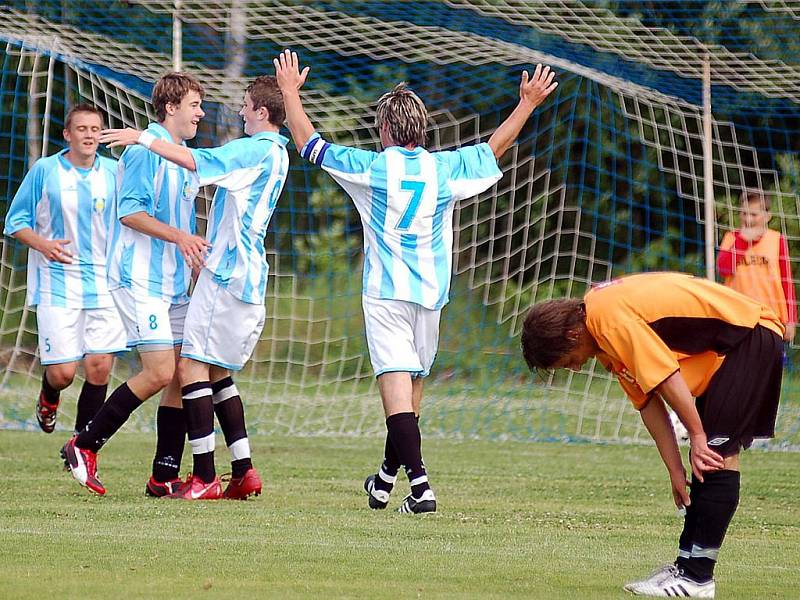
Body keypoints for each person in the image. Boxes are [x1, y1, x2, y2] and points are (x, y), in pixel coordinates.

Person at [274, 49, 558, 514]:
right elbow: (492, 150)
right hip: (430, 294)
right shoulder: (443, 169)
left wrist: (289, 92)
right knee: (413, 389)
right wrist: (526, 104)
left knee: (395, 390)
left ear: (385, 130)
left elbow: (308, 142)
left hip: (386, 294)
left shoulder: (372, 166)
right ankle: (386, 479)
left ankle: (422, 487)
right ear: (421, 129)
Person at [520, 272, 784, 598]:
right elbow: (648, 403)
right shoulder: (602, 333)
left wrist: (697, 436)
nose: (574, 368)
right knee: (705, 459)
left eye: (567, 362)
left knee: (716, 456)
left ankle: (697, 579)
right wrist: (675, 469)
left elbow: (666, 376)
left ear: (573, 335)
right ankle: (686, 567)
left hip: (749, 336)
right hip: (727, 348)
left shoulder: (609, 319)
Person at [98, 75, 290, 500]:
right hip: (249, 274)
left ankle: (204, 477)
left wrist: (142, 138)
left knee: (188, 368)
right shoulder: (279, 155)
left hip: (225, 272)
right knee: (218, 370)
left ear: (261, 112)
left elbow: (198, 162)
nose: (238, 111)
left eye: (244, 105)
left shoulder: (254, 149)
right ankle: (243, 471)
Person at [61, 72, 210, 496]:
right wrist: (181, 237)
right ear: (170, 108)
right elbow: (130, 214)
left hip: (174, 282)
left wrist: (192, 259)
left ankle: (162, 476)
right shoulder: (146, 152)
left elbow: (182, 219)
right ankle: (84, 444)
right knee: (160, 371)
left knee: (183, 373)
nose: (200, 112)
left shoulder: (182, 154)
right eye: (194, 105)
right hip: (139, 278)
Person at [4, 104, 127, 435]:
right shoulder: (46, 170)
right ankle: (48, 397)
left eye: (95, 129)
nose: (89, 135)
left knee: (100, 367)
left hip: (105, 283)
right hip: (57, 283)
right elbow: (15, 222)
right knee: (63, 373)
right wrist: (43, 244)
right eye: (82, 129)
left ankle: (82, 446)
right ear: (67, 134)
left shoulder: (115, 173)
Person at [717, 189, 796, 344]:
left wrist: (791, 320)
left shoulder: (777, 240)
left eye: (753, 215)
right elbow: (723, 269)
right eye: (744, 213)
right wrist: (742, 242)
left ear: (767, 216)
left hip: (770, 319)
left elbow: (787, 281)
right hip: (737, 318)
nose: (748, 219)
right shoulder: (731, 238)